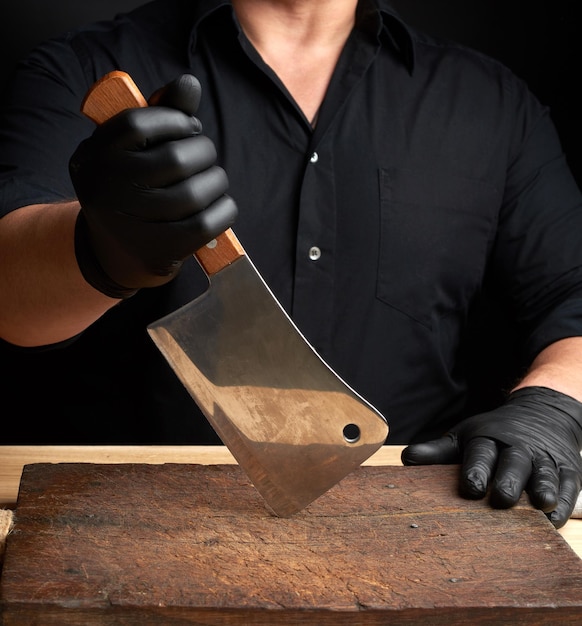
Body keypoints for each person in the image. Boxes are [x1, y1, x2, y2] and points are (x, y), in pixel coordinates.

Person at [0, 0, 581, 529]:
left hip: (416, 522)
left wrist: (554, 403)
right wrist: (99, 245)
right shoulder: (79, 67)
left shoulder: (489, 101)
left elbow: (573, 296)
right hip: (124, 520)